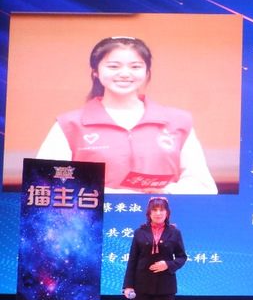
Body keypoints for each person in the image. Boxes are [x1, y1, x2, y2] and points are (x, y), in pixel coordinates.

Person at [36, 36, 217, 194]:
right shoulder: (70, 125)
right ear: (96, 71)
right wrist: (112, 195)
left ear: (146, 72)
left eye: (135, 66)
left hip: (162, 217)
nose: (124, 74)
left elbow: (202, 184)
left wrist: (166, 191)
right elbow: (44, 182)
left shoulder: (178, 122)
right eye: (113, 66)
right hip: (97, 218)